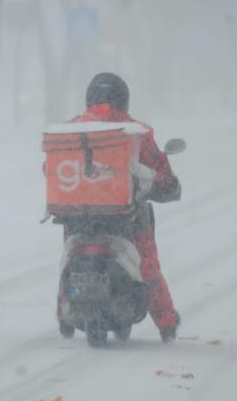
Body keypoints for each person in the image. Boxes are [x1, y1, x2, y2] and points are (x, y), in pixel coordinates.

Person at [68, 72, 182, 342]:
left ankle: (64, 311)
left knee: (71, 255)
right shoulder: (136, 131)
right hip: (126, 218)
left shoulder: (71, 130)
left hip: (78, 214)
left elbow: (50, 169)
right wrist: (166, 185)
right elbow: (161, 172)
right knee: (147, 265)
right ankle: (165, 323)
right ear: (124, 98)